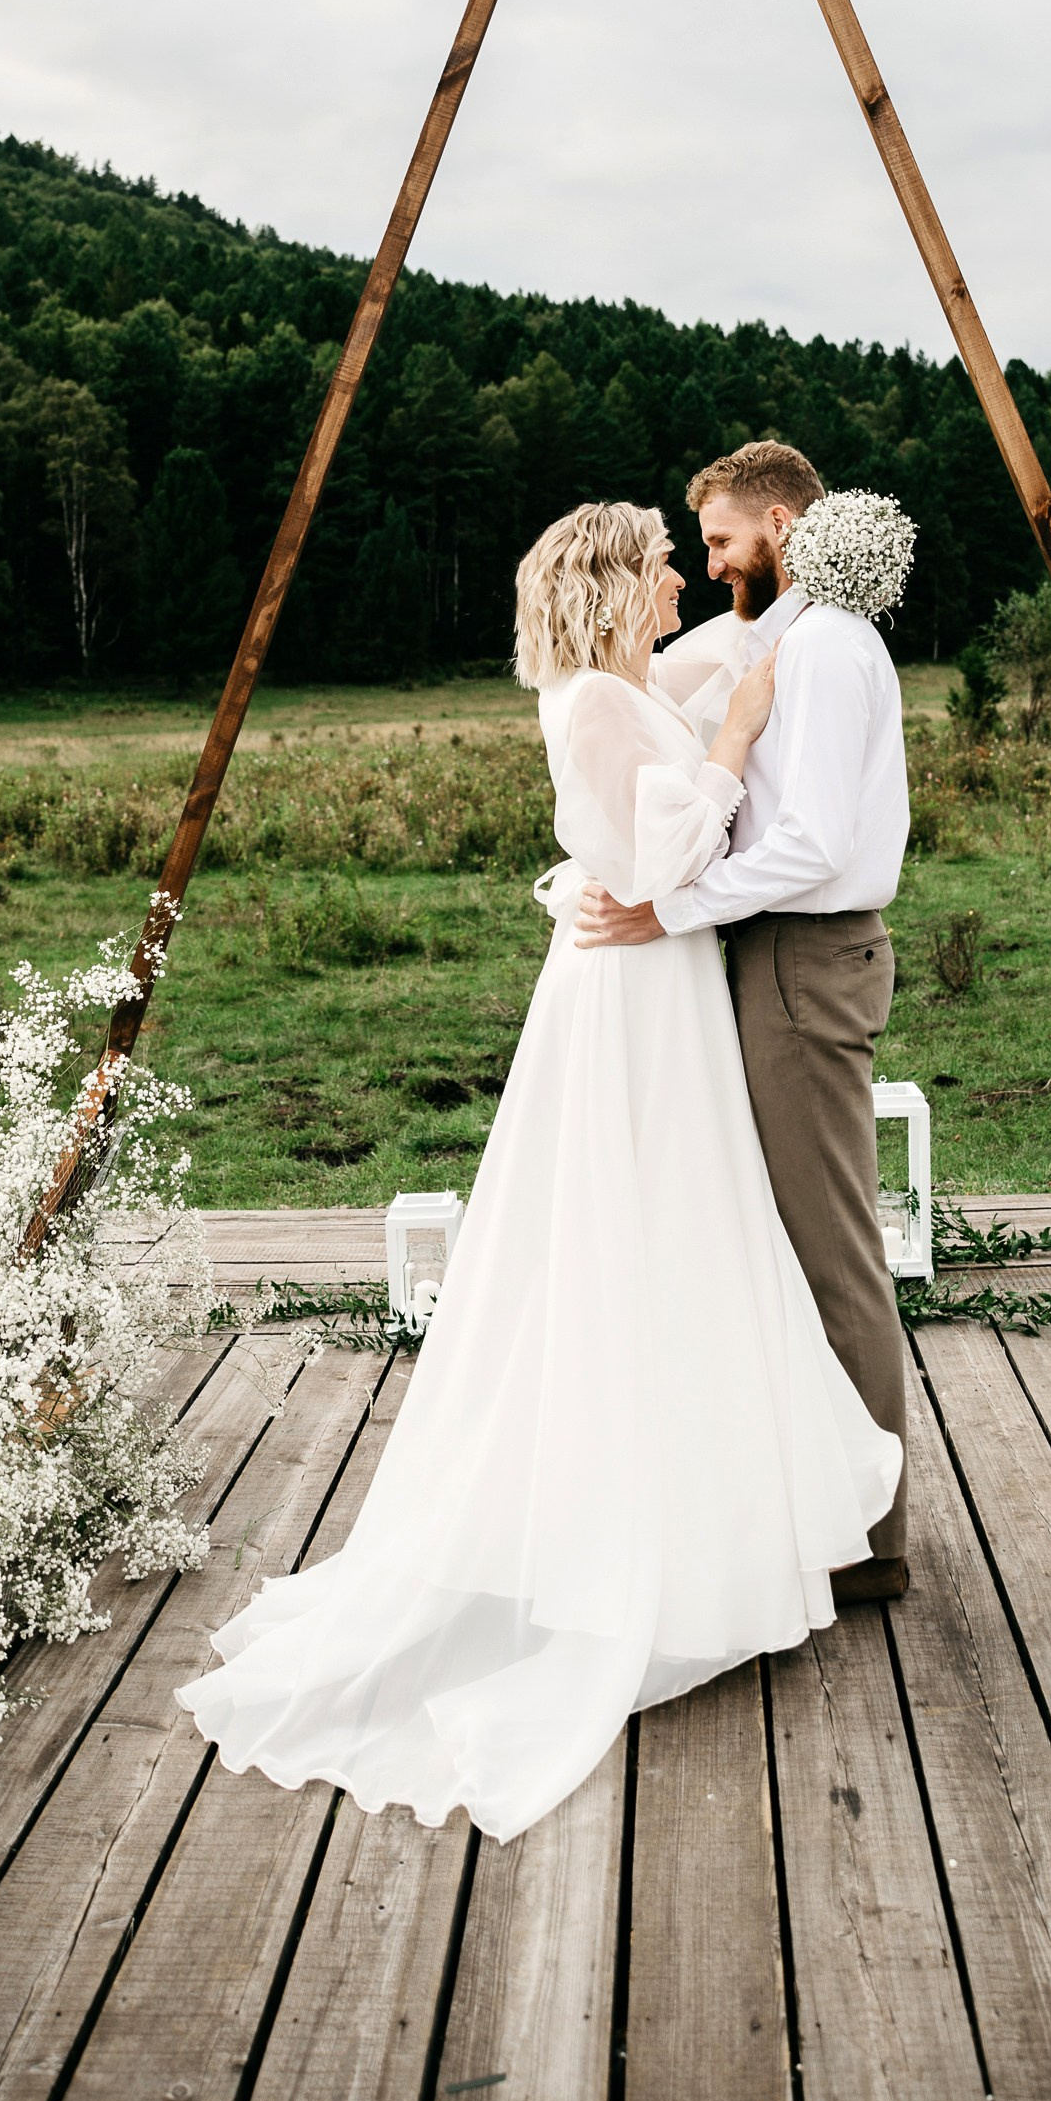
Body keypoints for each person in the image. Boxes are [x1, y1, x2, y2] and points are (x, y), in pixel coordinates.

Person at [175, 501, 900, 1844]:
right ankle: (637, 1545)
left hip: (655, 982)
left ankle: (696, 1525)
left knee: (684, 1235)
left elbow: (720, 664)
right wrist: (735, 744)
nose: (684, 579)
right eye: (665, 563)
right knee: (641, 1231)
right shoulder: (597, 704)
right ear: (617, 584)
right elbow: (660, 856)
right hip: (634, 990)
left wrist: (808, 600)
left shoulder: (624, 681)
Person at [576, 441, 912, 1599]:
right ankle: (815, 1510)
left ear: (778, 523)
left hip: (804, 960)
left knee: (828, 1254)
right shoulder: (783, 639)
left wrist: (670, 909)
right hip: (779, 957)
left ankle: (868, 1546)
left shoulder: (822, 648)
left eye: (721, 541)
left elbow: (811, 843)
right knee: (785, 1243)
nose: (712, 563)